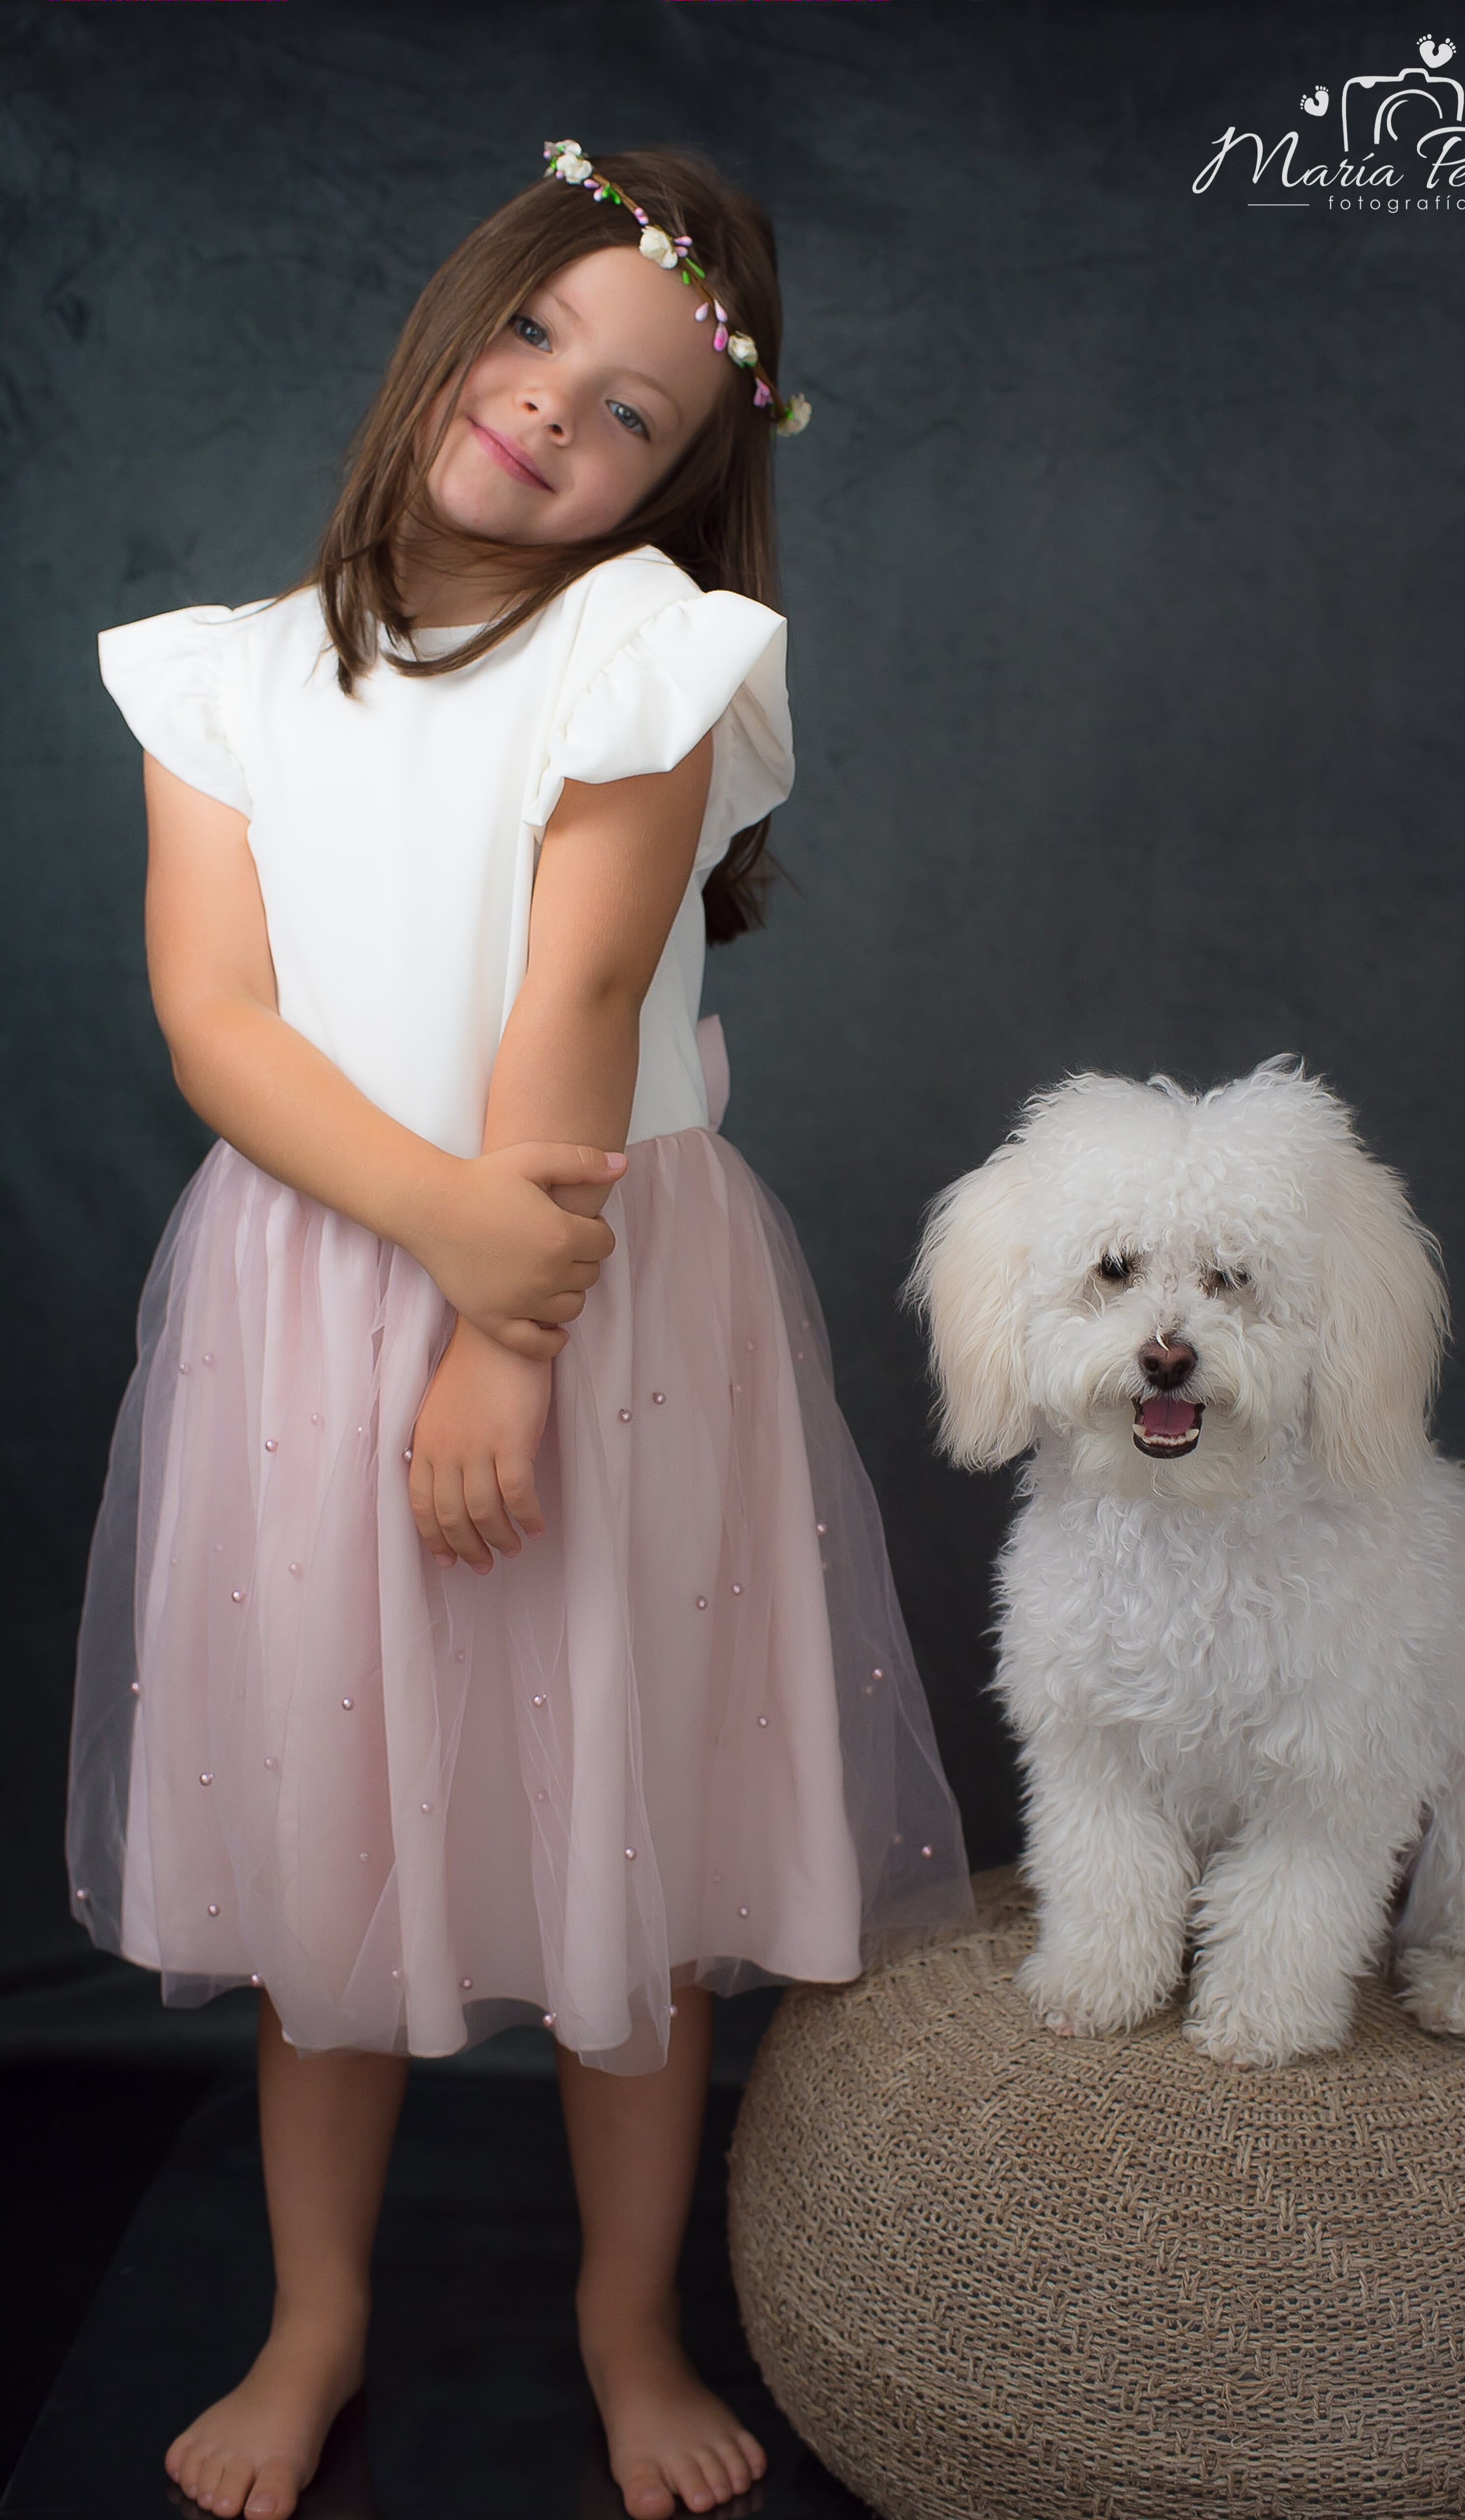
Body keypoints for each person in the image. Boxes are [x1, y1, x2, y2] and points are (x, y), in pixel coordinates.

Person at [69, 144, 969, 2520]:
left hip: (593, 1288)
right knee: (322, 1849)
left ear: (675, 483)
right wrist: (435, 1243)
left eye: (638, 409)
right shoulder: (226, 674)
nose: (562, 404)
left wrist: (507, 1325)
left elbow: (576, 996)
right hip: (316, 1295)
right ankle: (317, 2318)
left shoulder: (647, 651)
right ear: (458, 318)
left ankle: (622, 2321)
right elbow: (216, 1020)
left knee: (617, 1841)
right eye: (541, 334)